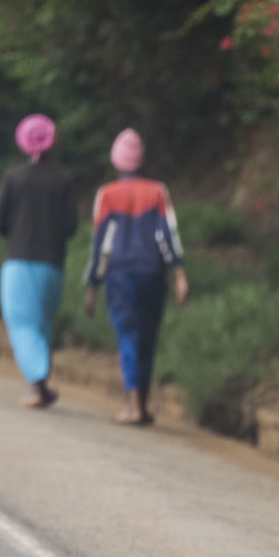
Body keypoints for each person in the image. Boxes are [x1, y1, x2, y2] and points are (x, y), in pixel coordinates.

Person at [82, 128, 188, 426]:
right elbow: (168, 235)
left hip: (120, 277)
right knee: (148, 338)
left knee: (128, 336)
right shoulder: (158, 191)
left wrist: (92, 286)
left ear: (116, 161)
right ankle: (141, 403)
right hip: (153, 274)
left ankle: (134, 407)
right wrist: (179, 275)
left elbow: (101, 245)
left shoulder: (107, 195)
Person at [0, 114, 77, 409]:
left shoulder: (13, 177)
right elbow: (71, 227)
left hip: (19, 261)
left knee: (22, 324)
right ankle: (38, 384)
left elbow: (0, 223)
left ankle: (40, 385)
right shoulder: (63, 179)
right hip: (53, 264)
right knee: (41, 324)